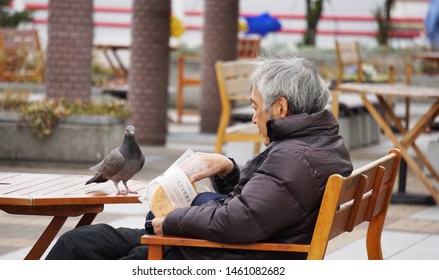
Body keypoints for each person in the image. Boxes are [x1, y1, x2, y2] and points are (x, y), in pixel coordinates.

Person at [46, 56, 353, 260]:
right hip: (230, 247)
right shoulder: (319, 144)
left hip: (222, 256)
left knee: (83, 252)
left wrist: (174, 221)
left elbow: (240, 220)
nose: (253, 118)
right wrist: (229, 170)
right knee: (80, 242)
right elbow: (263, 203)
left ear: (280, 109)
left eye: (255, 106)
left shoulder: (295, 157)